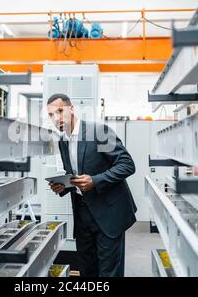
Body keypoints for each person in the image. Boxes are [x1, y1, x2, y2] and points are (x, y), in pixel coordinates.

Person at [46, 93, 137, 277]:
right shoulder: (63, 141)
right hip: (83, 216)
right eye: (51, 115)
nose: (56, 118)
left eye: (60, 111)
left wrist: (94, 181)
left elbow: (127, 165)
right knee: (87, 271)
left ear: (71, 109)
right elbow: (74, 175)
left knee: (108, 273)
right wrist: (64, 186)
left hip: (108, 213)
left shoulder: (98, 133)